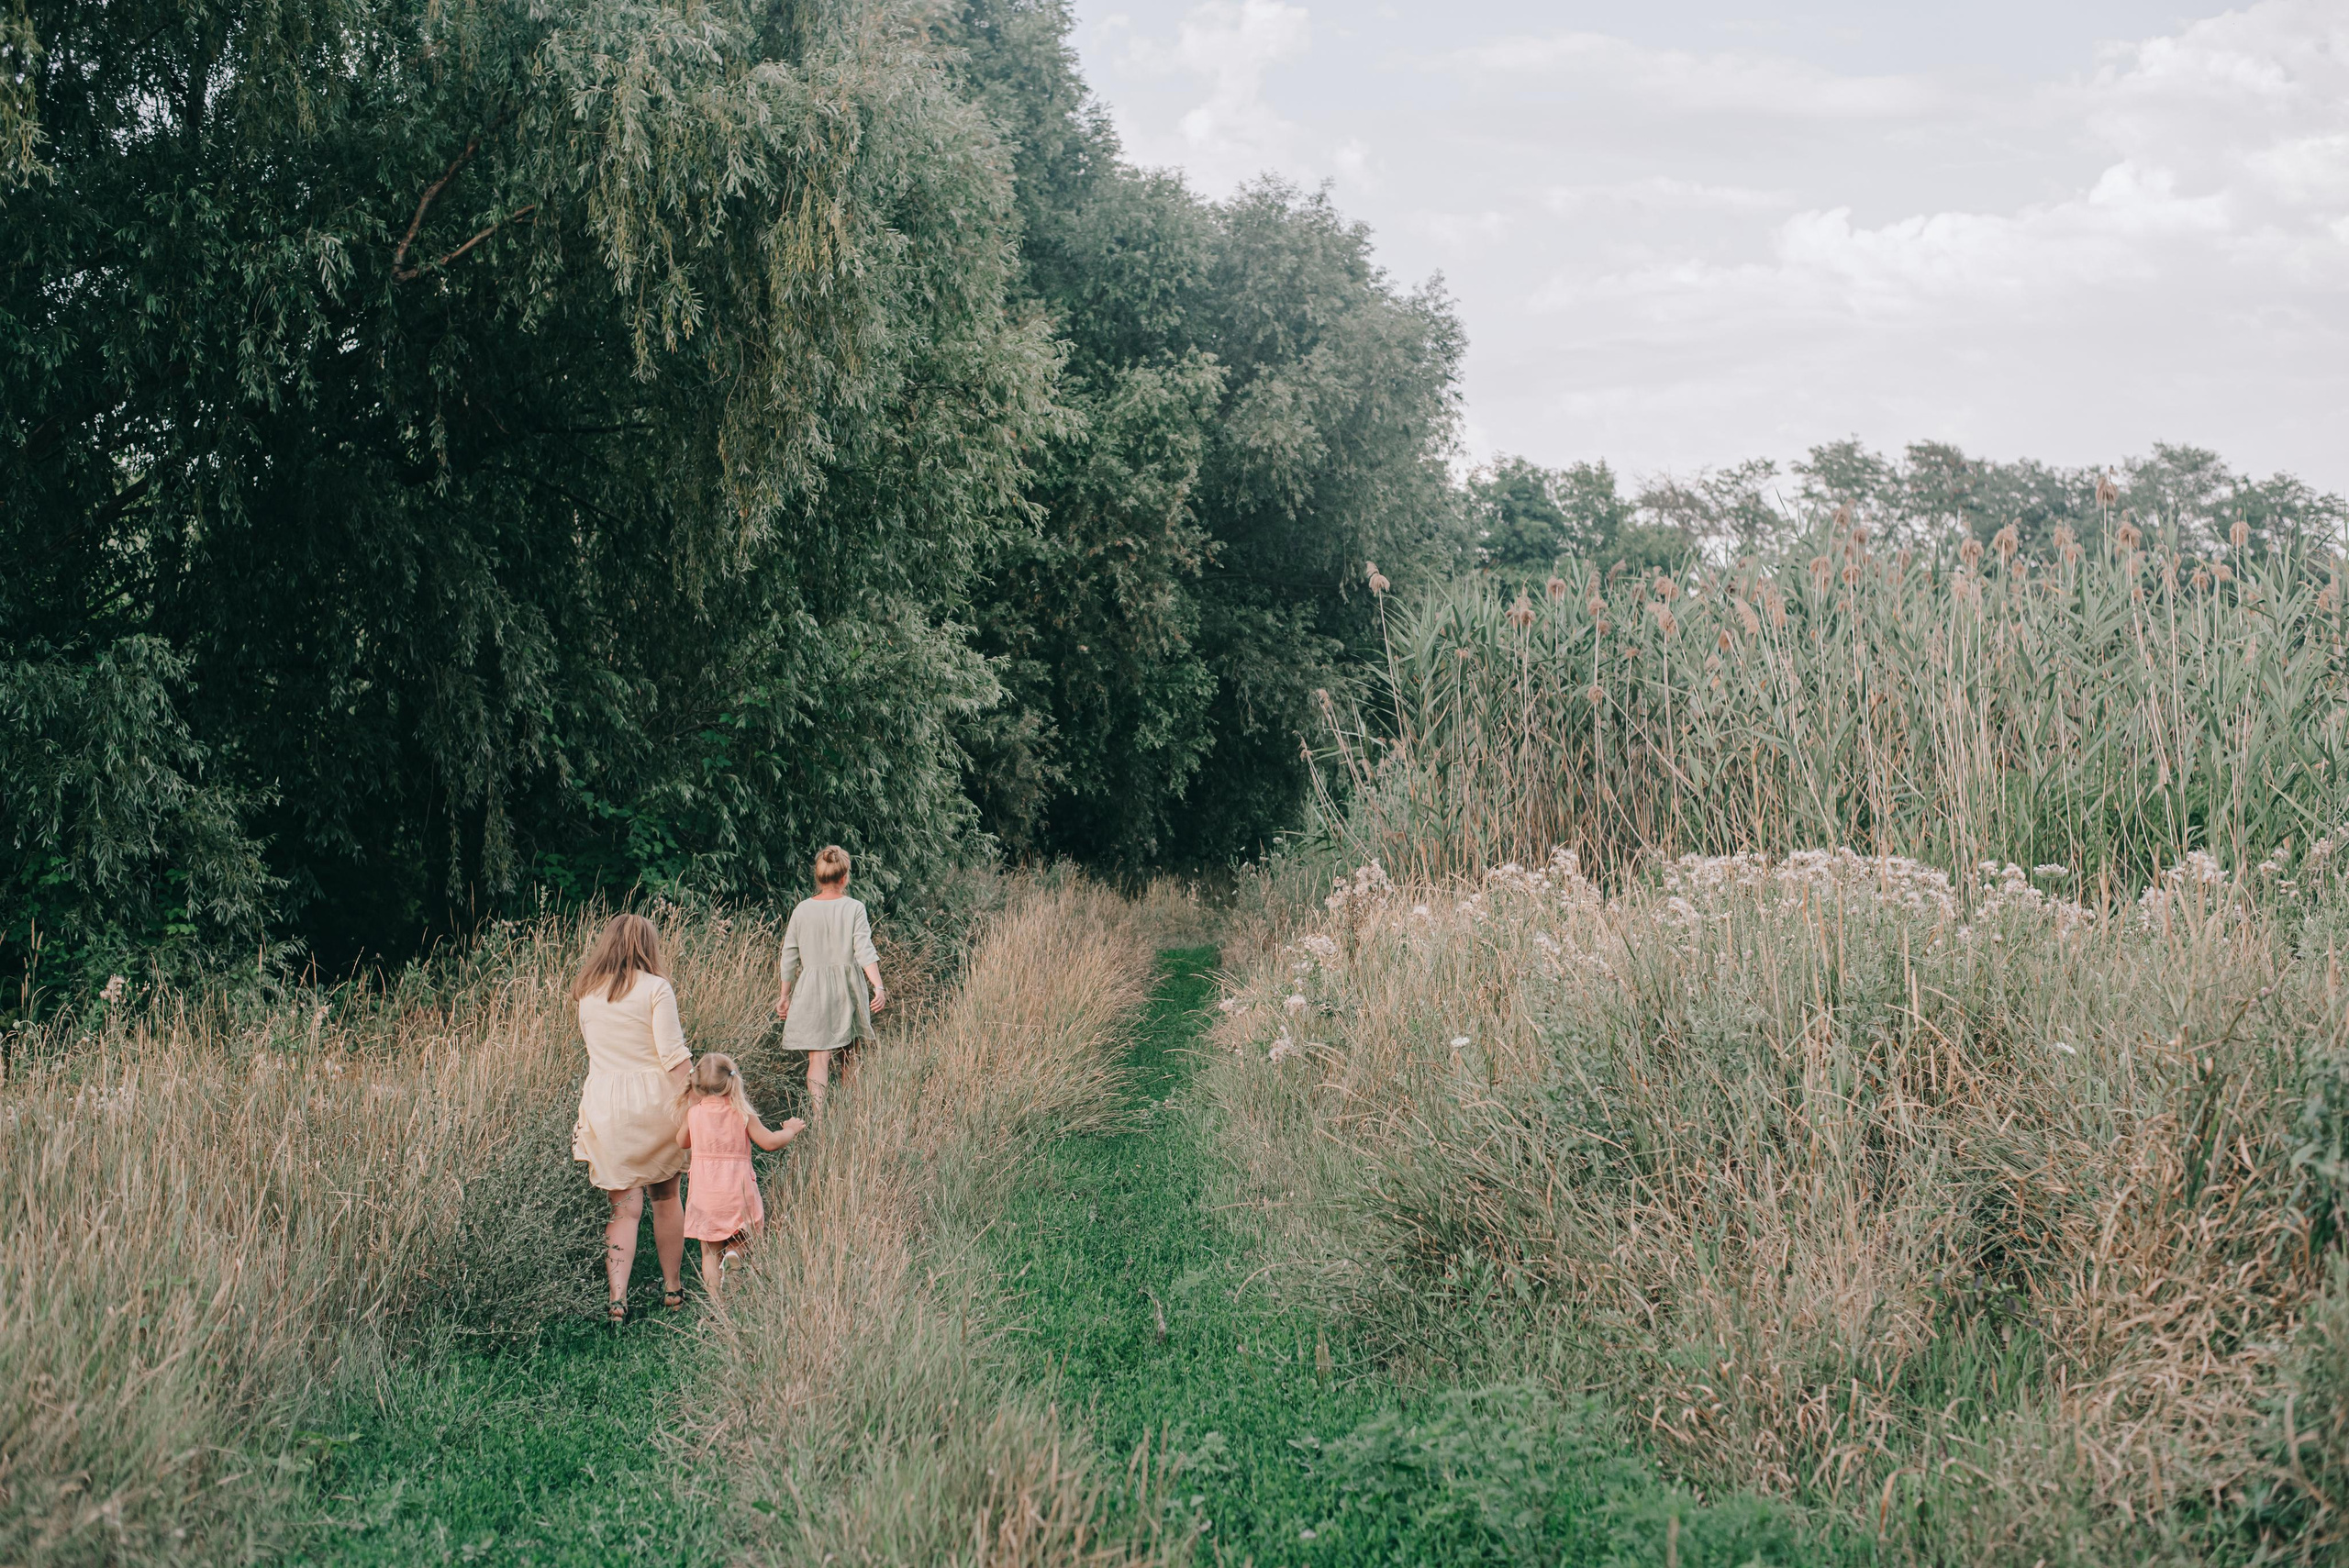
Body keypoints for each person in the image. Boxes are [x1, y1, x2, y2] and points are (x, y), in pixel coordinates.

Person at [572, 912, 692, 1322]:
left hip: (606, 1106)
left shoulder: (587, 994)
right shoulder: (656, 988)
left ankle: (617, 1299)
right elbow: (674, 1057)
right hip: (654, 1105)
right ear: (647, 946)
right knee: (666, 1197)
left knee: (623, 1209)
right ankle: (673, 1290)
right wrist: (700, 1105)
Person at [675, 1053, 805, 1298]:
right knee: (743, 1237)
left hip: (705, 1193)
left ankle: (717, 1306)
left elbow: (681, 1141)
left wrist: (692, 1113)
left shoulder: (694, 1114)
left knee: (709, 1253)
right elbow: (770, 1142)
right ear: (731, 1081)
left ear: (697, 1084)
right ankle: (734, 1257)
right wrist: (790, 1130)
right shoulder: (741, 1112)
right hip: (737, 1189)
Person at [774, 844, 885, 1116]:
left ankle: (819, 1117)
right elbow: (864, 950)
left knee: (818, 1057)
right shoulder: (854, 907)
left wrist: (784, 995)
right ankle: (850, 1114)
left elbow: (789, 955)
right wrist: (877, 986)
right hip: (847, 989)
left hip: (812, 990)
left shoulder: (802, 910)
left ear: (819, 877)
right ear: (844, 878)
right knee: (849, 1055)